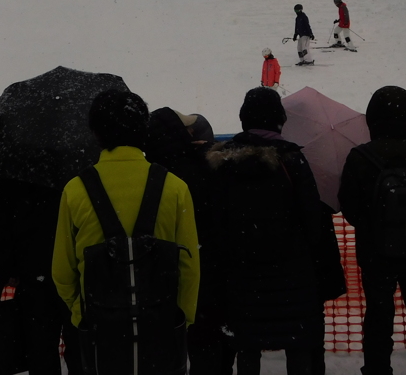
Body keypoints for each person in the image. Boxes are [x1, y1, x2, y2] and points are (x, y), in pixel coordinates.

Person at [53, 90, 200, 375]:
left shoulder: (75, 190)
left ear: (96, 133)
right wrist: (181, 318)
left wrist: (81, 312)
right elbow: (189, 267)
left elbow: (62, 270)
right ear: (143, 129)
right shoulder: (175, 187)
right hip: (161, 329)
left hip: (101, 334)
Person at [207, 87, 344, 375]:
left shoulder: (222, 162)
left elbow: (215, 224)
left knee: (247, 348)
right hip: (292, 281)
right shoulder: (293, 159)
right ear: (279, 119)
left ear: (244, 118)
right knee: (298, 350)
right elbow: (311, 223)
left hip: (241, 281)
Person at [338, 86, 406, 375]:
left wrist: (373, 227)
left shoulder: (360, 156)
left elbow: (349, 206)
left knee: (378, 317)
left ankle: (377, 368)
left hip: (375, 253)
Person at [143, 109, 225, 375]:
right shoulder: (200, 169)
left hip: (156, 285)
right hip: (205, 278)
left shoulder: (149, 173)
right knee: (208, 351)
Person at [0, 176, 83, 375]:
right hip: (74, 264)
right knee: (77, 339)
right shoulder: (80, 176)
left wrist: (7, 266)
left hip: (31, 264)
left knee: (40, 342)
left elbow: (2, 218)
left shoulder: (14, 173)